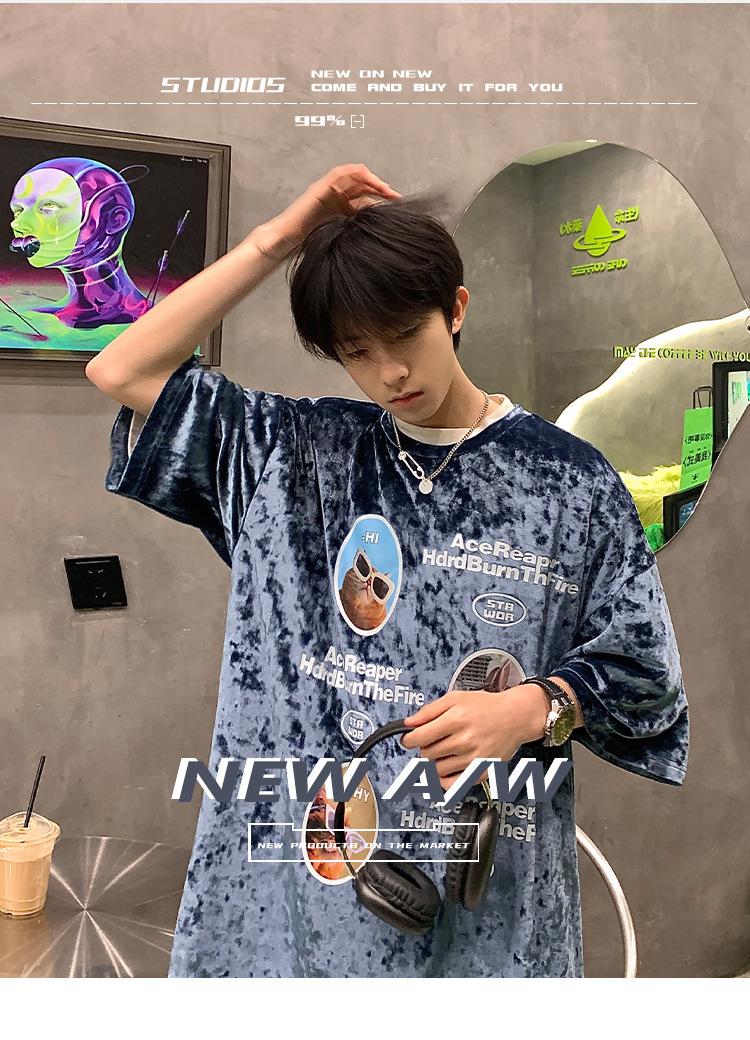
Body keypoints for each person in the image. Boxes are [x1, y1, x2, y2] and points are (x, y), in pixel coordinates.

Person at [86, 163, 689, 977]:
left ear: (456, 310)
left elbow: (645, 674)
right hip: (310, 887)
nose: (389, 373)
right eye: (358, 353)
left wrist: (530, 710)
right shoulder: (298, 455)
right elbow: (120, 371)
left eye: (405, 337)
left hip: (485, 883)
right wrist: (279, 237)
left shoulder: (569, 482)